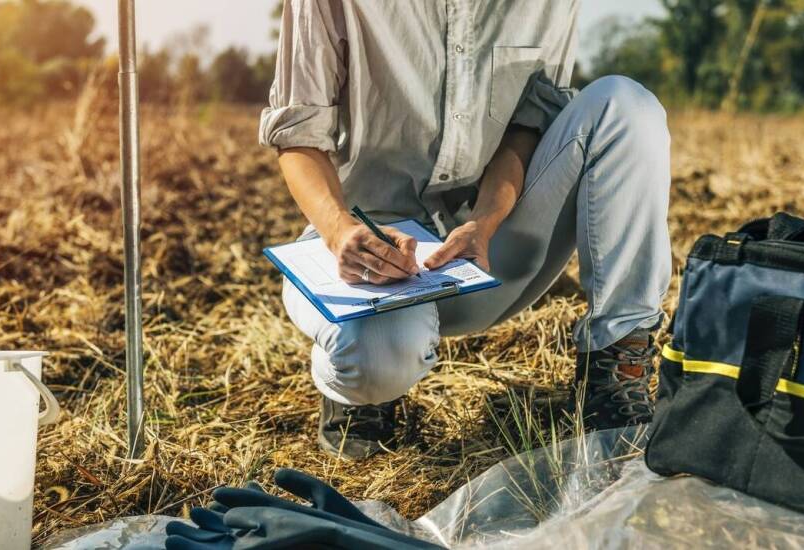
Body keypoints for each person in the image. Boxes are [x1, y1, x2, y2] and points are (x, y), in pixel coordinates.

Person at [259, 0, 671, 459]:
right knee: (375, 364)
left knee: (626, 107)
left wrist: (484, 222)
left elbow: (528, 125)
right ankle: (357, 392)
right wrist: (340, 232)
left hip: (488, 250)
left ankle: (615, 368)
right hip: (367, 252)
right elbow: (298, 136)